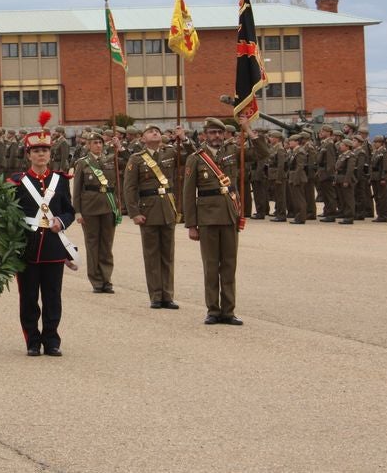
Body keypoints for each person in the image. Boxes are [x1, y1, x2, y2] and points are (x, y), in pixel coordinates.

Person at [182, 116, 267, 325]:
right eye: (212, 132)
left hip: (230, 215)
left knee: (229, 265)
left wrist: (248, 128)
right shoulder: (196, 158)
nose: (217, 136)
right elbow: (188, 192)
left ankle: (228, 311)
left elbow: (263, 153)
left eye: (220, 132)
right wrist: (191, 225)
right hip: (207, 217)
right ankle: (213, 309)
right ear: (205, 135)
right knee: (211, 266)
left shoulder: (232, 151)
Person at [10, 113, 76, 357]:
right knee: (28, 297)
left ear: (50, 154)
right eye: (36, 151)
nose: (41, 154)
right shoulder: (17, 182)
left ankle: (52, 339)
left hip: (52, 246)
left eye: (44, 150)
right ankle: (32, 340)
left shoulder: (59, 180)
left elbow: (69, 210)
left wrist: (61, 221)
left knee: (52, 297)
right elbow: (10, 215)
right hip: (27, 247)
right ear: (28, 154)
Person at [122, 124, 183, 309]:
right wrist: (134, 213)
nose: (155, 132)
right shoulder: (137, 159)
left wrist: (183, 139)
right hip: (147, 211)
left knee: (168, 255)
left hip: (168, 208)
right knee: (151, 255)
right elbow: (129, 188)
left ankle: (168, 295)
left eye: (157, 131)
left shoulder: (172, 153)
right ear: (143, 139)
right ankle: (156, 295)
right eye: (150, 131)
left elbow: (190, 158)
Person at [71, 132, 119, 293]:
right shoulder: (83, 163)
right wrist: (77, 212)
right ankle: (96, 281)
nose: (98, 145)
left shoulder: (111, 160)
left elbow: (126, 161)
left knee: (107, 245)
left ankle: (107, 279)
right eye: (94, 143)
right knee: (93, 244)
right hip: (89, 208)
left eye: (100, 142)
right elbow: (77, 189)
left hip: (108, 206)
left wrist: (120, 146)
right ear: (88, 146)